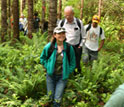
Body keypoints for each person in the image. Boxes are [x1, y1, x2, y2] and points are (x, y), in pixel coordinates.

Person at [40, 27, 76, 107]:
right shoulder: (49, 47)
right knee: (50, 97)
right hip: (50, 76)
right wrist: (48, 66)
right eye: (59, 33)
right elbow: (42, 58)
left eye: (63, 33)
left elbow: (73, 63)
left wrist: (68, 71)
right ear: (54, 35)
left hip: (62, 78)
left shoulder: (69, 48)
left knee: (57, 99)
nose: (61, 35)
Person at [58, 6, 85, 74]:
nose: (67, 18)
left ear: (73, 14)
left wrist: (80, 46)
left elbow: (84, 36)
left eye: (69, 16)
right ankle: (66, 77)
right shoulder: (62, 23)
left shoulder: (79, 22)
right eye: (66, 16)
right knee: (65, 63)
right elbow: (57, 35)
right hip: (66, 47)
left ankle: (77, 79)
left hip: (76, 47)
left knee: (76, 65)